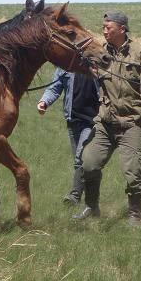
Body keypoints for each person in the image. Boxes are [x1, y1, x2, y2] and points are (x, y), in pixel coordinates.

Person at [73, 11, 141, 226]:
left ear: (122, 29)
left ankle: (134, 214)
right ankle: (91, 207)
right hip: (105, 122)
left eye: (108, 28)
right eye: (103, 27)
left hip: (133, 123)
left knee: (134, 171)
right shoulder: (99, 52)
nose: (104, 31)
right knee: (89, 163)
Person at [37, 67, 100, 204]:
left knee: (80, 157)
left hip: (92, 121)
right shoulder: (67, 64)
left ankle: (74, 196)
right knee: (81, 162)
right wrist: (44, 102)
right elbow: (55, 87)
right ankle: (90, 200)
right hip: (73, 120)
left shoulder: (97, 62)